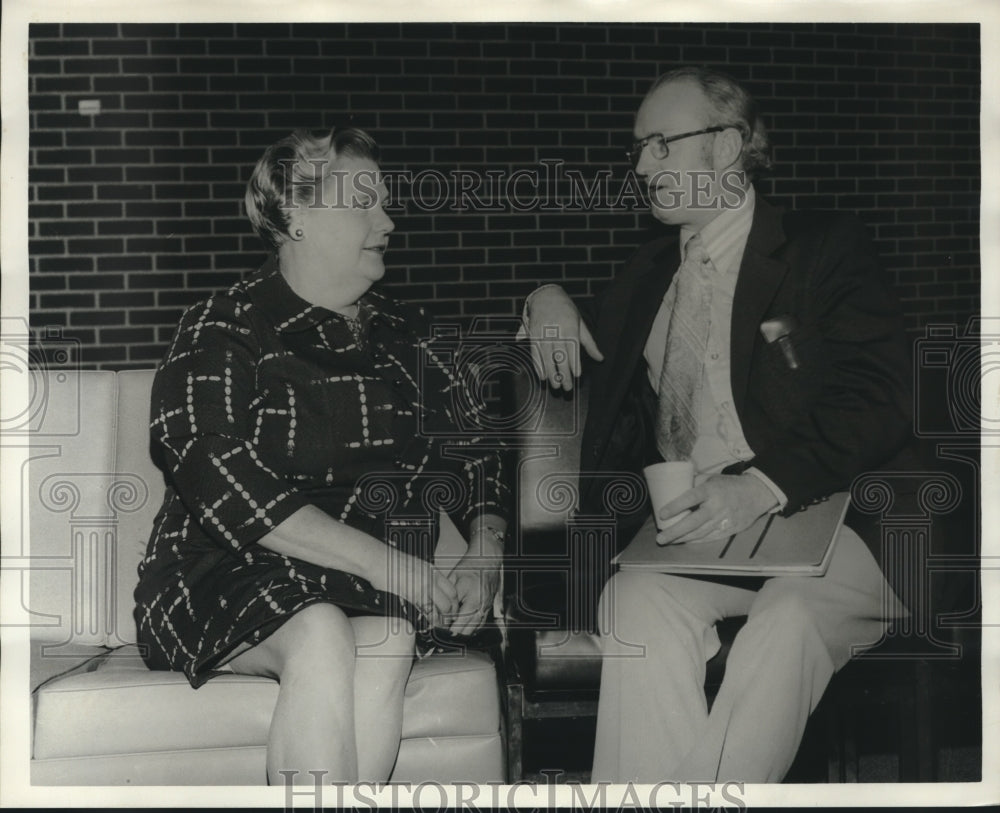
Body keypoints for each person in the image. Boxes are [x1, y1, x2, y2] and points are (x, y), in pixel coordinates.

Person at [520, 66, 912, 782]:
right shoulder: (644, 277)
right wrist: (545, 295)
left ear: (728, 146)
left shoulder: (824, 248)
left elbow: (880, 394)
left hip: (843, 521)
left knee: (790, 614)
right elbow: (583, 356)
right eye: (638, 149)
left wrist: (761, 484)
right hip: (710, 539)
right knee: (633, 600)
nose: (642, 165)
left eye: (662, 144)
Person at [133, 127, 509, 785]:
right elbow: (214, 473)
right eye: (363, 202)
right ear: (294, 214)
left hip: (354, 585)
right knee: (319, 630)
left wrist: (485, 547)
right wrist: (392, 565)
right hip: (217, 574)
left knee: (390, 637)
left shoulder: (405, 335)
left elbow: (478, 454)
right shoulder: (225, 323)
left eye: (386, 203)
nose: (387, 221)